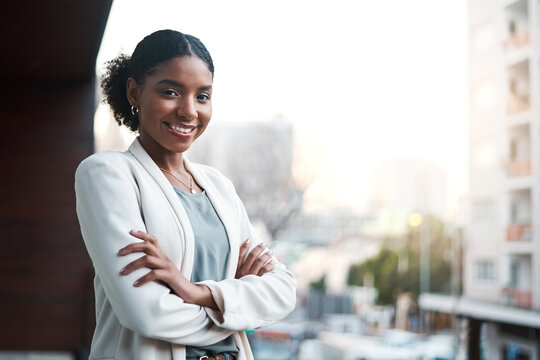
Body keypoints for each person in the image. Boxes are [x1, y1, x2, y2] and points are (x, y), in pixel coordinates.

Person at [75, 29, 296, 360]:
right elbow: (147, 314)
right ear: (135, 92)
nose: (189, 111)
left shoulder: (218, 185)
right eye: (171, 92)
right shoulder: (108, 174)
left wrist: (196, 291)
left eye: (202, 96)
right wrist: (235, 308)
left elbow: (283, 292)